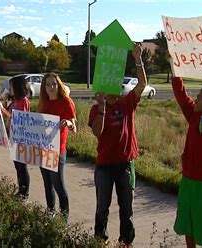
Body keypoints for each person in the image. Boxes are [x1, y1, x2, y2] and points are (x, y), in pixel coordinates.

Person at [87, 43, 146, 247]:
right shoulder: (96, 109)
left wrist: (137, 59)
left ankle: (126, 241)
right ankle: (99, 239)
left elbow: (141, 85)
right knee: (102, 206)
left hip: (124, 165)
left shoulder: (126, 103)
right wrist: (102, 106)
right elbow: (97, 132)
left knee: (126, 208)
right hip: (104, 166)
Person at [169, 57, 202, 248]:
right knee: (188, 225)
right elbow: (181, 94)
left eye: (200, 97)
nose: (196, 98)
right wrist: (174, 66)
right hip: (188, 180)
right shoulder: (194, 116)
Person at [37, 72, 77, 218]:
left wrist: (68, 123)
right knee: (47, 184)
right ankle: (51, 213)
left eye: (54, 84)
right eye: (48, 85)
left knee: (58, 185)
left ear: (58, 85)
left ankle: (64, 217)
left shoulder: (66, 102)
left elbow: (74, 127)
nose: (51, 87)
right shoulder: (43, 103)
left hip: (57, 151)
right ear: (44, 87)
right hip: (43, 149)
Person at [0, 76, 30, 201]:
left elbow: (18, 117)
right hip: (13, 136)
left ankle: (24, 192)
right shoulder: (15, 101)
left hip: (21, 138)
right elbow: (6, 114)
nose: (9, 89)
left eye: (11, 87)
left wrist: (4, 110)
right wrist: (3, 101)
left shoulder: (23, 101)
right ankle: (20, 189)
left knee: (22, 167)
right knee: (17, 166)